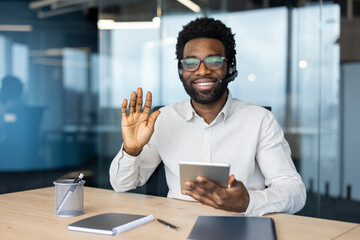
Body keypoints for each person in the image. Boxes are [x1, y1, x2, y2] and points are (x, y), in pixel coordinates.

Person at [109, 17, 306, 216]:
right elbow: (122, 185)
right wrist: (131, 151)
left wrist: (248, 202)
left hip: (241, 226)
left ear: (229, 66)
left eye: (213, 61)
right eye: (191, 62)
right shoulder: (162, 119)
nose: (202, 70)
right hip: (176, 229)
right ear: (181, 70)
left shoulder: (260, 120)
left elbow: (294, 191)